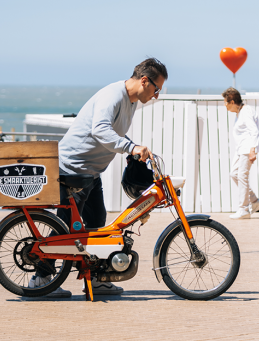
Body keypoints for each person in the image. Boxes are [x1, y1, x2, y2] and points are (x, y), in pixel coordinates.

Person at [31, 58, 167, 298]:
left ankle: (99, 279)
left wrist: (129, 153)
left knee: (97, 223)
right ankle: (40, 279)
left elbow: (111, 134)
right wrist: (131, 147)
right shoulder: (113, 95)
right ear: (144, 80)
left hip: (90, 172)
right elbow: (100, 129)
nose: (157, 95)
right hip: (72, 169)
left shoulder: (131, 101)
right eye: (157, 88)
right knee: (65, 229)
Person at [222, 87, 259, 219]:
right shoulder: (239, 112)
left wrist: (253, 150)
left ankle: (243, 209)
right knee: (234, 174)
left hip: (247, 149)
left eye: (226, 103)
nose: (225, 106)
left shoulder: (246, 112)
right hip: (241, 149)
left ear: (233, 101)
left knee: (242, 176)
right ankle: (254, 201)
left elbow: (254, 131)